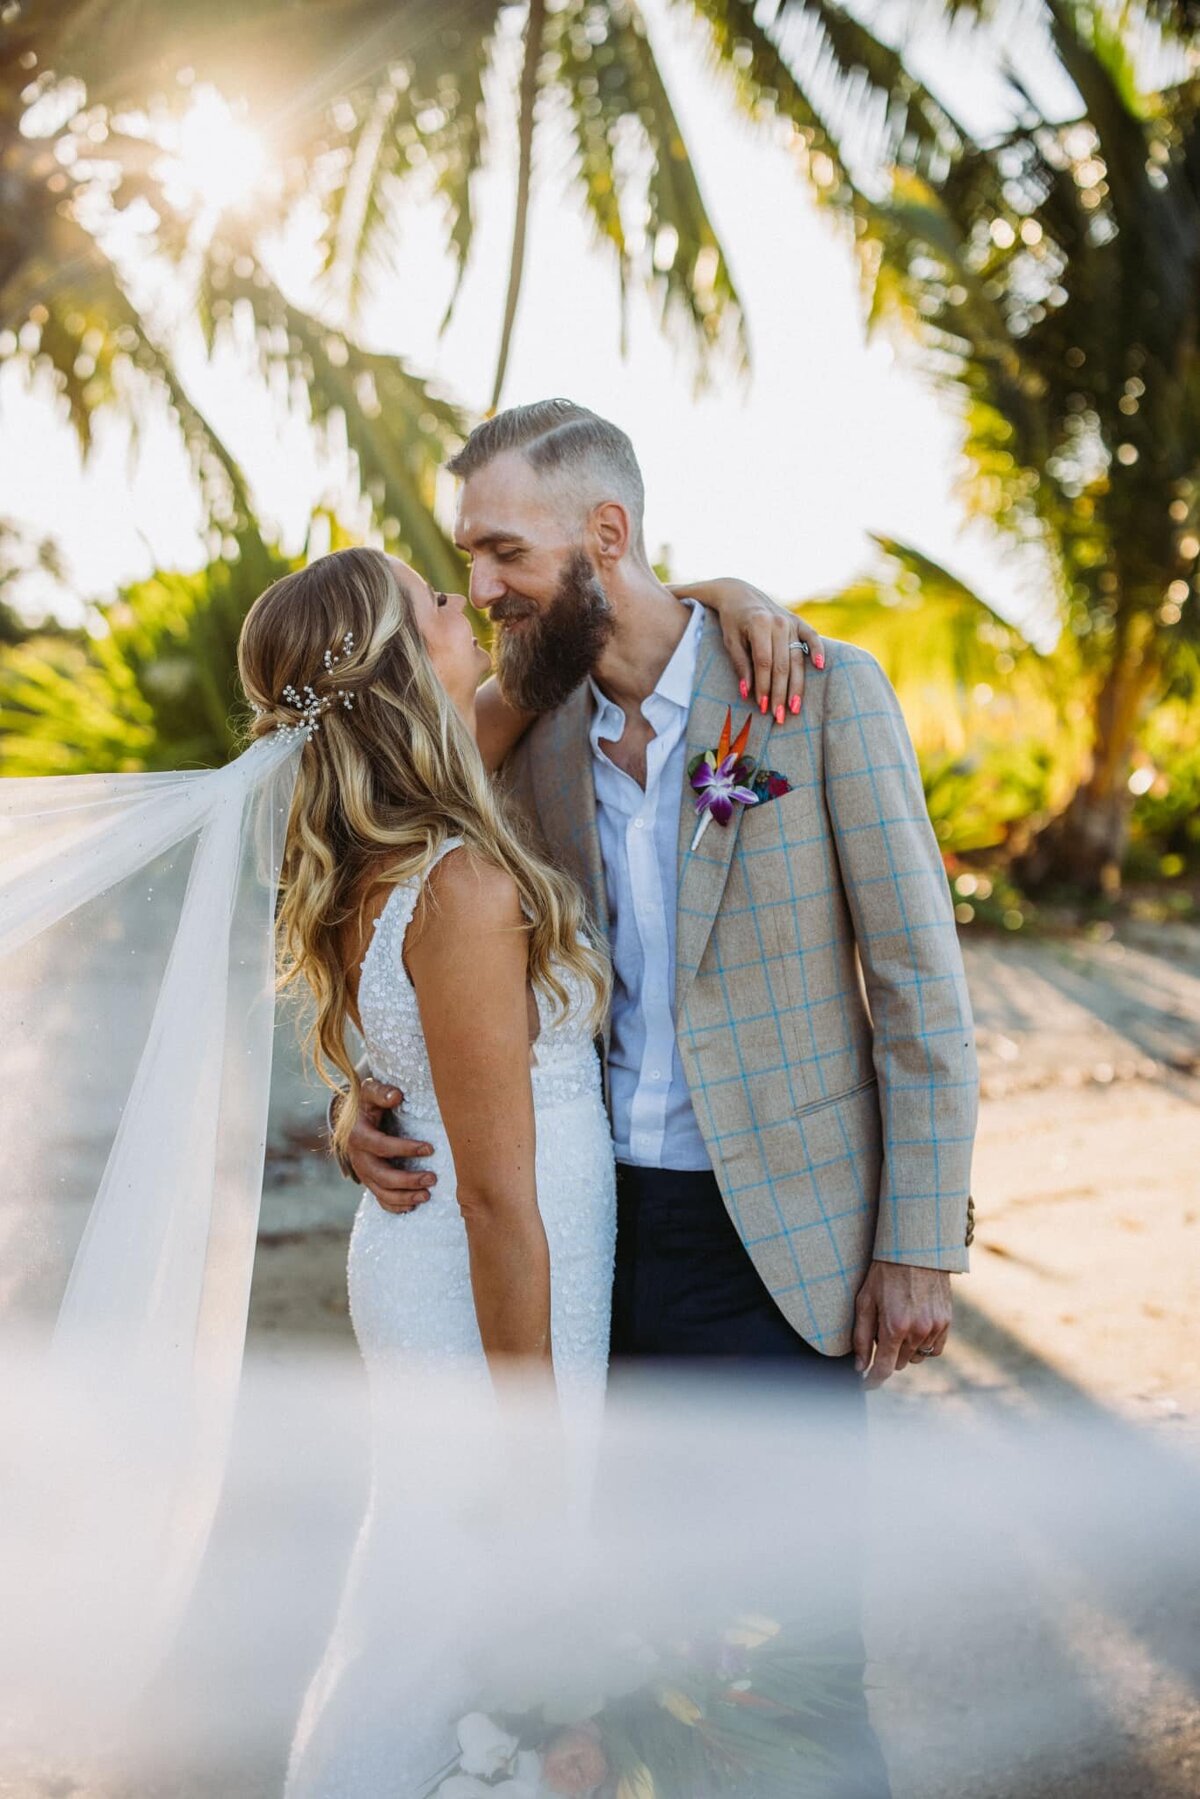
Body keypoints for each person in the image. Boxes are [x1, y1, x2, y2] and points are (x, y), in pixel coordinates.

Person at [342, 399, 981, 1798]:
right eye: (471, 557)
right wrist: (364, 1094)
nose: (486, 584)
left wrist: (918, 1236)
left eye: (504, 549)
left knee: (799, 1661)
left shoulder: (819, 695)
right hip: (595, 1254)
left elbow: (922, 987)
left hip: (782, 1254)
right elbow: (405, 919)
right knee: (631, 1678)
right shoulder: (524, 724)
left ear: (606, 536)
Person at [235, 544, 813, 1794]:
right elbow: (500, 1197)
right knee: (478, 1594)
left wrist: (727, 595)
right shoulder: (460, 880)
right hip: (483, 1274)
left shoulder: (380, 853)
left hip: (439, 1258)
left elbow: (582, 619)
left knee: (427, 1589)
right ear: (405, 668)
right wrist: (538, 1463)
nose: (468, 603)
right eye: (437, 600)